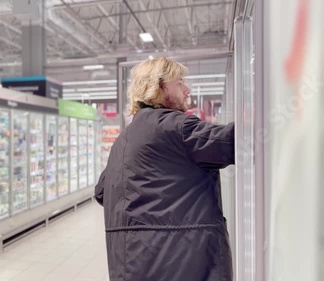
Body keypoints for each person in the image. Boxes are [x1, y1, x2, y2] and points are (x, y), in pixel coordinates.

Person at [95, 57, 235, 281]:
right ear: (159, 86)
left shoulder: (123, 139)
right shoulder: (176, 127)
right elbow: (232, 142)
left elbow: (102, 191)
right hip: (181, 264)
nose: (187, 90)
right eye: (180, 82)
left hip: (131, 267)